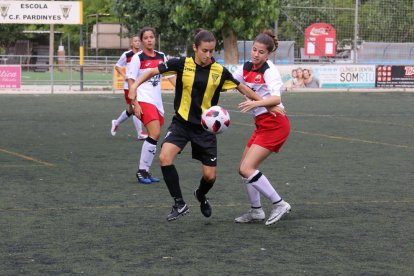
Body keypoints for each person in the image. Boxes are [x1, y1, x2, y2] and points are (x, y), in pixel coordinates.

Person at [129, 28, 268, 221]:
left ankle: (200, 195)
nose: (208, 55)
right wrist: (134, 86)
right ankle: (179, 203)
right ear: (195, 48)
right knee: (164, 157)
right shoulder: (181, 64)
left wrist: (266, 103)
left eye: (211, 51)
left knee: (210, 176)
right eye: (204, 50)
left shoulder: (218, 71)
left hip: (206, 129)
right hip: (182, 124)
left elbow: (242, 87)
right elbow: (154, 70)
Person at [232, 29, 291, 226]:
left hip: (275, 124)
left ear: (269, 54)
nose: (256, 54)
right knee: (244, 169)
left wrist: (254, 103)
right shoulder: (247, 66)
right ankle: (256, 211)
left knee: (247, 168)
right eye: (254, 50)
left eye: (261, 52)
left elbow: (276, 99)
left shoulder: (269, 70)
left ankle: (279, 203)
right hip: (262, 124)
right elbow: (232, 81)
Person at [127, 27, 175, 184]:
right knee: (154, 133)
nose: (149, 40)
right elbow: (131, 81)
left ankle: (145, 171)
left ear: (155, 39)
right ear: (141, 41)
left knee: (155, 135)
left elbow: (170, 76)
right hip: (143, 99)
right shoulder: (137, 58)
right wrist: (135, 104)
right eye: (146, 37)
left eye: (151, 37)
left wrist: (182, 89)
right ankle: (141, 171)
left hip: (157, 101)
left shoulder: (162, 56)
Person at [111, 35, 148, 140]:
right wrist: (124, 77)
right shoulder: (126, 55)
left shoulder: (143, 54)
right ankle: (140, 133)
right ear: (132, 43)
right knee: (135, 107)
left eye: (139, 41)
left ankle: (116, 122)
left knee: (131, 110)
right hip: (129, 86)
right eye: (135, 41)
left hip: (139, 86)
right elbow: (117, 66)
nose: (137, 43)